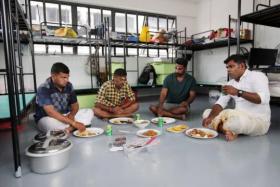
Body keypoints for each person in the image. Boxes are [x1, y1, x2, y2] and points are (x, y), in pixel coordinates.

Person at [202, 54, 271, 141]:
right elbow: (220, 103)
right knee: (207, 113)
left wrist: (238, 92)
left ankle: (226, 128)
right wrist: (210, 117)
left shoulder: (258, 76)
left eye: (231, 66)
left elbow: (262, 99)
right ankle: (230, 131)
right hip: (237, 116)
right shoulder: (230, 83)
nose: (228, 70)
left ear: (242, 66)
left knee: (232, 122)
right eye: (227, 67)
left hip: (258, 121)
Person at [35, 62, 93, 133]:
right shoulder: (44, 88)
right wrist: (73, 123)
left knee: (89, 112)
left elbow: (75, 106)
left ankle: (66, 129)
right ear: (53, 76)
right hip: (50, 118)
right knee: (48, 123)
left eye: (68, 77)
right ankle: (73, 127)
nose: (67, 80)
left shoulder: (69, 85)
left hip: (66, 116)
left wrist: (72, 115)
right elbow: (51, 112)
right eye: (64, 77)